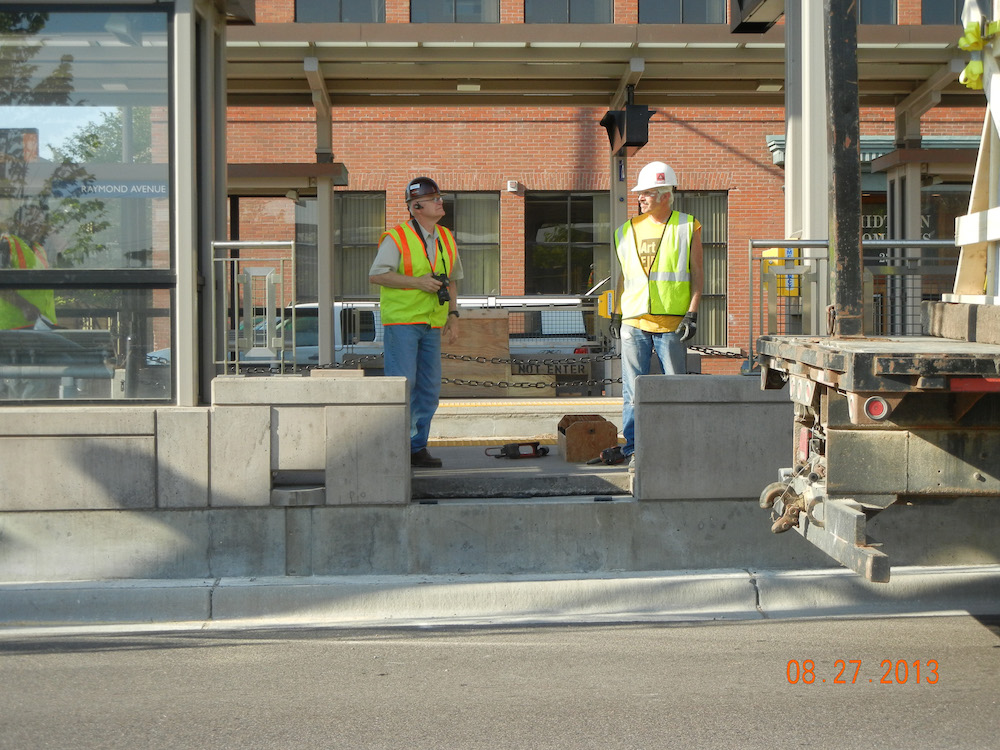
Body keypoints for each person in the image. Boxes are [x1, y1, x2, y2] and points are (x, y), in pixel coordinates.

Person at [606, 161, 703, 466]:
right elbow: (624, 276)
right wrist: (616, 312)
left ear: (665, 195)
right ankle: (634, 449)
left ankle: (677, 447)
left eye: (647, 193)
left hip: (671, 323)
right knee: (633, 391)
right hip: (634, 320)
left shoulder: (687, 226)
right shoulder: (626, 230)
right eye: (640, 193)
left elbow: (698, 275)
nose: (640, 198)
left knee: (676, 389)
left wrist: (692, 314)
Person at [369, 177, 463, 469]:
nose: (440, 202)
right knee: (403, 386)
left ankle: (416, 448)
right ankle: (396, 447)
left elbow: (452, 280)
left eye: (439, 197)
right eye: (433, 199)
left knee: (428, 388)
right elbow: (377, 275)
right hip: (403, 323)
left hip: (432, 323)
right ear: (416, 207)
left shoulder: (446, 237)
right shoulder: (396, 237)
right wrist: (417, 282)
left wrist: (453, 315)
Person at [0, 232, 57, 329]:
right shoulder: (6, 243)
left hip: (43, 325)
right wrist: (24, 306)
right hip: (14, 328)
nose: (41, 227)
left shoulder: (39, 248)